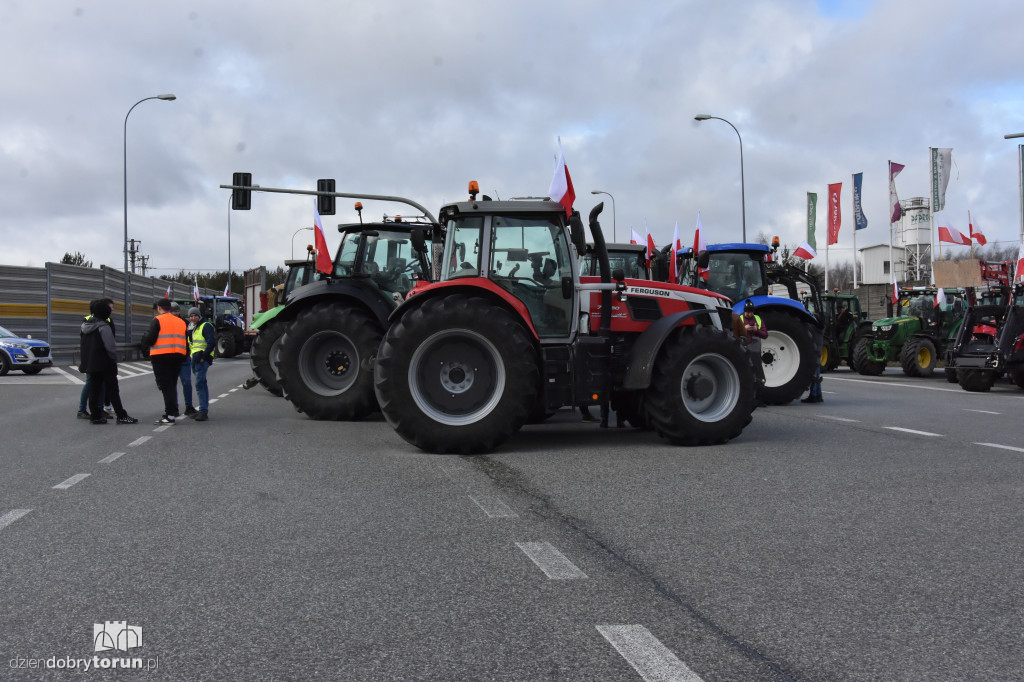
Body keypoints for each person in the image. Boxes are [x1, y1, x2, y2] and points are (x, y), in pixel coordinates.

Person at [79, 299, 137, 424]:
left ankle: (95, 416)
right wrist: (113, 359)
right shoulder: (103, 326)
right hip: (105, 363)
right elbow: (110, 346)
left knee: (94, 389)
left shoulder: (85, 326)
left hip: (91, 363)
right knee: (113, 390)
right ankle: (121, 415)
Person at [141, 298, 187, 424]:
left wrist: (145, 345)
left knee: (166, 387)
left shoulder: (157, 320)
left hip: (161, 357)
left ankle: (170, 415)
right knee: (171, 385)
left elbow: (150, 339)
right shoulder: (181, 322)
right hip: (178, 356)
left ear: (159, 308)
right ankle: (172, 412)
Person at [77, 297, 115, 420]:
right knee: (91, 384)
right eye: (110, 307)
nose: (112, 310)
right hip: (97, 357)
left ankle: (99, 409)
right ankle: (82, 409)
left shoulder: (99, 320)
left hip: (93, 357)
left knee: (101, 384)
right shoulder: (96, 320)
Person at [187, 306, 216, 422]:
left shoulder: (205, 326)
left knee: (199, 384)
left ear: (199, 316)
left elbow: (211, 342)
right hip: (195, 359)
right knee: (202, 383)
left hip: (201, 359)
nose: (193, 318)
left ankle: (203, 411)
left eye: (195, 315)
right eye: (191, 316)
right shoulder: (191, 327)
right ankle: (203, 410)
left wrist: (204, 357)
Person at [170, 302, 198, 418]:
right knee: (172, 384)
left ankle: (189, 406)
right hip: (171, 358)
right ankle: (174, 407)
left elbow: (191, 339)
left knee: (186, 382)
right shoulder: (166, 323)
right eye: (173, 311)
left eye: (177, 311)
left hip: (184, 357)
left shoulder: (186, 323)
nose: (175, 313)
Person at [739, 300, 767, 393]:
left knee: (758, 373)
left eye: (751, 312)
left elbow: (765, 334)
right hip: (743, 349)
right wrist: (744, 328)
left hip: (755, 352)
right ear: (744, 311)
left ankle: (759, 397)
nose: (749, 314)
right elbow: (734, 334)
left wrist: (756, 330)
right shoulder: (740, 319)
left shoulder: (758, 319)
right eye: (747, 312)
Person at [802, 327, 825, 404]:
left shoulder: (812, 326)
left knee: (815, 374)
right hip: (819, 348)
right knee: (817, 373)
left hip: (815, 349)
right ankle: (818, 395)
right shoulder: (820, 326)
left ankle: (813, 395)